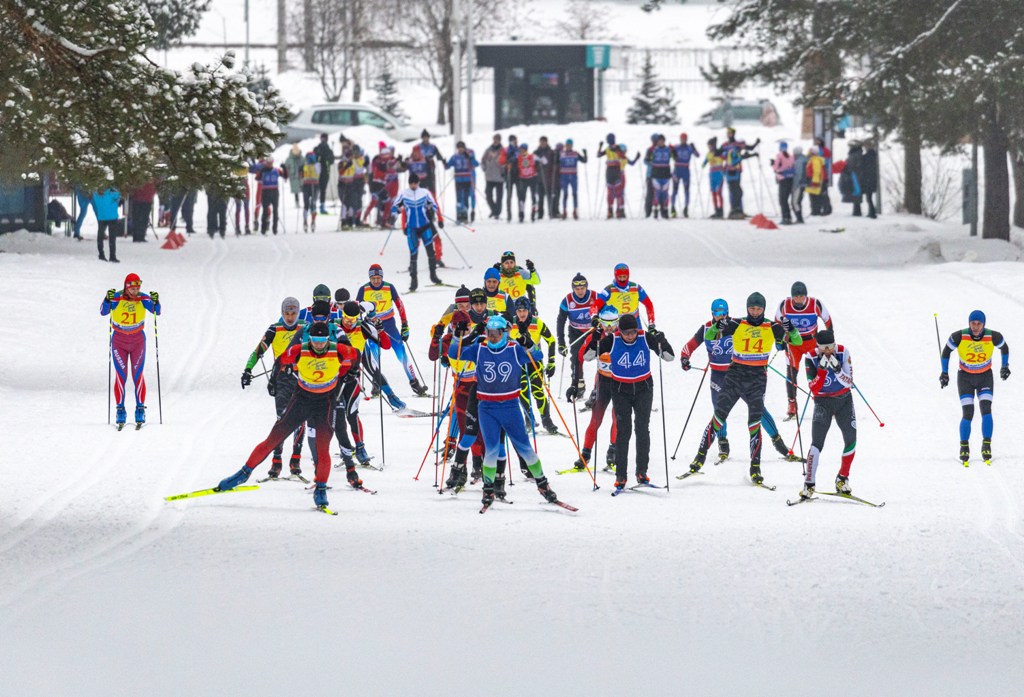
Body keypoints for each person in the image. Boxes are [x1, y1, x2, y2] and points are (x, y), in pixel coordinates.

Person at [216, 321, 360, 511]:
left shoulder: (339, 350)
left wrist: (351, 372)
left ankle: (321, 489)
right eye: (314, 340)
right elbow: (280, 361)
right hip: (301, 400)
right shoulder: (300, 350)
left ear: (328, 339)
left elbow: (357, 355)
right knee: (273, 439)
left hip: (325, 403)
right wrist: (274, 381)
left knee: (323, 448)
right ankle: (243, 474)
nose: (318, 344)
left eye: (321, 340)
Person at [687, 292, 802, 485]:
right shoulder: (737, 323)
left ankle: (755, 468)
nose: (755, 312)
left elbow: (795, 343)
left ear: (763, 309)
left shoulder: (772, 326)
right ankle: (699, 457)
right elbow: (709, 335)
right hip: (734, 377)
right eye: (752, 308)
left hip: (757, 380)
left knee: (754, 423)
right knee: (718, 417)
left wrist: (792, 330)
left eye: (758, 308)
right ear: (747, 308)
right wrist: (718, 326)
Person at [454, 315, 561, 509]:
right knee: (492, 449)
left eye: (496, 333)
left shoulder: (514, 350)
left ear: (505, 333)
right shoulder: (480, 349)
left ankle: (543, 484)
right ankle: (488, 489)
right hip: (487, 408)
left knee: (525, 449)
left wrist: (528, 342)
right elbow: (454, 351)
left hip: (510, 407)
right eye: (489, 333)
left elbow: (537, 356)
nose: (492, 337)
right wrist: (461, 336)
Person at [584, 313, 673, 492]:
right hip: (620, 389)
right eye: (627, 333)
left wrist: (663, 341)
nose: (630, 336)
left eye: (633, 332)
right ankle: (621, 475)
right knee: (623, 431)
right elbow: (588, 357)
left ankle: (641, 472)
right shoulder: (613, 339)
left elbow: (669, 357)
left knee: (642, 429)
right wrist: (594, 341)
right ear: (620, 331)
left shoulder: (644, 337)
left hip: (644, 388)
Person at [241, 297, 307, 479]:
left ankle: (295, 460)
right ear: (282, 313)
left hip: (303, 378)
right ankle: (276, 460)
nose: (290, 317)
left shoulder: (306, 327)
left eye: (293, 313)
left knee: (300, 419)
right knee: (282, 419)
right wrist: (248, 370)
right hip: (282, 378)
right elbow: (258, 352)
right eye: (287, 313)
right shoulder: (274, 328)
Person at [940, 310, 1010, 464]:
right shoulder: (959, 336)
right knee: (968, 412)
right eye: (973, 323)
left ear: (984, 324)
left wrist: (1005, 366)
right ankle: (964, 446)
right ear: (969, 323)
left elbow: (1004, 348)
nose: (976, 327)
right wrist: (944, 373)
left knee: (986, 409)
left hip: (985, 377)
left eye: (979, 324)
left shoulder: (993, 336)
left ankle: (987, 445)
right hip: (965, 378)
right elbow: (946, 352)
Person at [799, 328, 858, 499]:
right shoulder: (810, 356)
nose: (827, 351)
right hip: (823, 402)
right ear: (818, 346)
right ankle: (809, 483)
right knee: (817, 442)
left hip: (844, 400)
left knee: (851, 439)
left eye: (830, 346)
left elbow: (849, 382)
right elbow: (813, 388)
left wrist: (838, 370)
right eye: (823, 348)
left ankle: (842, 478)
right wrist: (823, 371)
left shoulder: (842, 351)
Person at [430, 311, 485, 488]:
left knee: (483, 430)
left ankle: (481, 466)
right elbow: (433, 355)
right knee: (465, 429)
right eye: (457, 326)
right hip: (461, 389)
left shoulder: (479, 337)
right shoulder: (448, 340)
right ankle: (462, 472)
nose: (462, 329)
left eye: (466, 326)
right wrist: (435, 338)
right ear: (452, 326)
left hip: (480, 388)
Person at [356, 263, 429, 395]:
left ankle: (414, 383)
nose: (376, 281)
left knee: (402, 354)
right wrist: (359, 325)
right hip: (372, 327)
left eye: (379, 278)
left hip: (389, 325)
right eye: (373, 279)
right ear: (370, 278)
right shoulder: (364, 289)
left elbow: (399, 305)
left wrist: (405, 324)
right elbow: (356, 309)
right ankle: (376, 383)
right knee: (374, 357)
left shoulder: (389, 287)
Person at [100, 273, 161, 426]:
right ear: (126, 287)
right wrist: (107, 299)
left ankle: (140, 409)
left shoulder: (143, 298)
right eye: (132, 288)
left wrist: (156, 301)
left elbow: (157, 311)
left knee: (137, 374)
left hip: (137, 341)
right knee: (121, 375)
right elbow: (103, 311)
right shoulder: (117, 297)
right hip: (119, 341)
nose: (135, 291)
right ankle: (120, 410)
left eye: (137, 288)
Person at [568, 305, 620, 471]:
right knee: (596, 419)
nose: (610, 327)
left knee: (617, 418)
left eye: (613, 323)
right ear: (601, 322)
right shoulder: (595, 335)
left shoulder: (622, 335)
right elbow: (580, 357)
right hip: (603, 381)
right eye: (606, 323)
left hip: (620, 382)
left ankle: (613, 452)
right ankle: (585, 454)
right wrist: (575, 383)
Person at [776, 281, 833, 419]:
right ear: (792, 297)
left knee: (819, 370)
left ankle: (825, 403)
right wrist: (779, 339)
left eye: (802, 296)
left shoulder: (815, 304)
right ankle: (792, 405)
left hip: (811, 342)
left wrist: (829, 339)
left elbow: (828, 320)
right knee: (791, 372)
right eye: (796, 297)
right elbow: (777, 322)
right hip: (793, 344)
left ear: (806, 296)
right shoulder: (784, 305)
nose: (799, 300)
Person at [510, 297, 559, 434]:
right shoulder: (511, 323)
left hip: (534, 361)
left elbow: (551, 340)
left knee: (538, 390)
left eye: (524, 310)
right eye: (519, 311)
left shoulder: (537, 322)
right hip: (518, 363)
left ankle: (547, 421)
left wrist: (552, 362)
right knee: (523, 390)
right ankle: (528, 419)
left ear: (529, 310)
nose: (522, 313)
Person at [391, 172, 443, 292]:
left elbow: (434, 205)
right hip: (412, 228)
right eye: (411, 183)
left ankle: (433, 276)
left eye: (415, 183)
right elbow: (394, 207)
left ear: (418, 183)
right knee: (413, 254)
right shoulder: (404, 194)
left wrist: (431, 208)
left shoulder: (424, 192)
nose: (413, 185)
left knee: (431, 252)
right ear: (409, 183)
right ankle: (414, 281)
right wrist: (398, 210)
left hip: (425, 226)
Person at [557, 272, 600, 399]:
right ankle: (577, 384)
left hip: (594, 331)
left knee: (603, 356)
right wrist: (561, 342)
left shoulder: (595, 296)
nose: (580, 291)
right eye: (577, 289)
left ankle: (602, 386)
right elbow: (560, 321)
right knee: (576, 358)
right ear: (573, 289)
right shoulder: (567, 300)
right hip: (576, 332)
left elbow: (605, 312)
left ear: (586, 287)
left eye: (582, 288)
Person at [721, 128, 759, 219]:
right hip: (729, 170)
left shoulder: (738, 144)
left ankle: (739, 209)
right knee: (733, 191)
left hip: (737, 170)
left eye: (730, 133)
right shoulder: (725, 145)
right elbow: (718, 152)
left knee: (737, 190)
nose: (728, 135)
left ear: (733, 134)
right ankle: (733, 209)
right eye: (727, 133)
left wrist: (756, 143)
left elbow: (750, 148)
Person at [250, 156, 287, 234]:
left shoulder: (276, 170)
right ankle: (263, 229)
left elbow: (285, 175)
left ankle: (275, 229)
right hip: (265, 191)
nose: (269, 165)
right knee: (265, 210)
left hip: (274, 192)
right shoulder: (263, 170)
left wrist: (284, 168)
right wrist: (261, 171)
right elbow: (257, 178)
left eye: (270, 163)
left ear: (272, 163)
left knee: (275, 211)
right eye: (268, 163)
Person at [442, 141, 478, 223]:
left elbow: (476, 164)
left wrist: (470, 158)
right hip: (458, 180)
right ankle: (459, 215)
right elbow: (447, 166)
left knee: (465, 197)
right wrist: (444, 163)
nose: (460, 150)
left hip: (467, 179)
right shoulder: (455, 157)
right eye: (459, 148)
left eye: (462, 148)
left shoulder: (468, 155)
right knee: (458, 198)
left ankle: (465, 215)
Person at [671, 133, 699, 218]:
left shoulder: (689, 148)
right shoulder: (676, 147)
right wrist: (672, 151)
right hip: (677, 170)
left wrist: (694, 148)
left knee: (686, 190)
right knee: (675, 190)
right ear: (680, 139)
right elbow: (669, 153)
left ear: (686, 139)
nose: (683, 140)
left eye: (685, 139)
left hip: (685, 171)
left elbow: (697, 155)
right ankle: (672, 208)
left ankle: (686, 208)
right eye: (682, 138)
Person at [558, 138, 588, 220]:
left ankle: (575, 210)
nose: (568, 146)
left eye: (570, 145)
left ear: (572, 145)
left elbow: (584, 161)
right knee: (565, 194)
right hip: (564, 176)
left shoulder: (575, 153)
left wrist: (585, 154)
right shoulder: (562, 153)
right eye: (567, 145)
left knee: (574, 194)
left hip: (573, 176)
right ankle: (564, 211)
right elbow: (556, 162)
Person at [645, 134, 672, 219]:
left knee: (663, 194)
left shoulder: (666, 149)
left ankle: (663, 211)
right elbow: (646, 160)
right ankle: (649, 212)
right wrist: (652, 164)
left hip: (663, 174)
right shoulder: (651, 149)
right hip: (652, 174)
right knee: (651, 194)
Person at [93, 188, 121, 263]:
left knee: (100, 235)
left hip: (102, 217)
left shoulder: (96, 193)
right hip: (112, 216)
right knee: (112, 237)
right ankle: (112, 256)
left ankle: (101, 254)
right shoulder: (114, 192)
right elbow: (118, 198)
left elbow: (95, 201)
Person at [771, 142, 796, 224]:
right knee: (786, 199)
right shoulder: (791, 156)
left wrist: (772, 164)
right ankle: (788, 217)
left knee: (782, 200)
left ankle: (785, 217)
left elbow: (776, 167)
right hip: (790, 178)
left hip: (783, 178)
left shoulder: (779, 155)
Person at [481, 135, 505, 220]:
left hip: (499, 177)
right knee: (488, 195)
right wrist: (484, 168)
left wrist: (503, 170)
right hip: (489, 177)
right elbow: (483, 160)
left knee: (499, 196)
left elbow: (506, 161)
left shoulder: (503, 150)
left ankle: (497, 212)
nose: (496, 141)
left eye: (497, 140)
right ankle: (494, 210)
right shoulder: (488, 150)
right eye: (495, 139)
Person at [534, 136, 557, 219]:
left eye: (544, 142)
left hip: (548, 177)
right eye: (541, 142)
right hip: (539, 177)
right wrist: (537, 163)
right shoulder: (536, 152)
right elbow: (533, 164)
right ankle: (540, 213)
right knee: (540, 197)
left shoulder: (550, 152)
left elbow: (553, 162)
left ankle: (551, 212)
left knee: (550, 196)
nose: (542, 143)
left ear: (547, 142)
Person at [499, 134, 520, 222]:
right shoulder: (506, 150)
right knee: (509, 195)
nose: (514, 142)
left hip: (518, 173)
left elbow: (522, 157)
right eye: (512, 140)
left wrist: (515, 158)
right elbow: (501, 160)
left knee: (520, 194)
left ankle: (520, 212)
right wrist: (507, 159)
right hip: (509, 173)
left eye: (514, 140)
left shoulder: (519, 149)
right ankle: (509, 213)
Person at [840, 140, 864, 217]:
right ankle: (856, 209)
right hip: (854, 175)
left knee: (856, 191)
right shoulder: (856, 154)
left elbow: (855, 165)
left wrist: (849, 169)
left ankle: (857, 210)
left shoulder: (855, 155)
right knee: (855, 191)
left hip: (854, 175)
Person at [704, 137, 725, 219]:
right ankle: (716, 210)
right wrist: (703, 164)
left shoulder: (719, 152)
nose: (709, 147)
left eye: (710, 145)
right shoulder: (708, 154)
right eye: (708, 146)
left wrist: (720, 153)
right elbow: (706, 161)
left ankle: (721, 210)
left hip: (719, 174)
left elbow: (725, 158)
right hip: (712, 175)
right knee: (713, 193)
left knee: (719, 192)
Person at [314, 133, 334, 213]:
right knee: (316, 189)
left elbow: (332, 161)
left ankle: (322, 206)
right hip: (317, 172)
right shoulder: (317, 148)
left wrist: (328, 159)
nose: (323, 140)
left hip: (325, 172)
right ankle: (313, 206)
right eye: (322, 138)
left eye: (325, 139)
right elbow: (313, 159)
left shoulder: (329, 150)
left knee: (323, 190)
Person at [418, 129, 443, 194]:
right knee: (422, 188)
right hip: (421, 170)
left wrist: (443, 161)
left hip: (431, 169)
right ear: (422, 138)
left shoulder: (433, 147)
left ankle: (433, 200)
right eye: (424, 138)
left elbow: (439, 156)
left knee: (431, 187)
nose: (425, 139)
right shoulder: (418, 147)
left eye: (427, 137)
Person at [813, 136, 833, 215]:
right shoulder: (816, 150)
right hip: (817, 175)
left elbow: (825, 163)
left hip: (823, 175)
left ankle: (826, 208)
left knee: (823, 193)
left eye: (818, 141)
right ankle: (821, 208)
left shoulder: (825, 151)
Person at [301, 151, 320, 232]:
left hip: (315, 186)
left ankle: (313, 221)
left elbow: (318, 171)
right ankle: (305, 221)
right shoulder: (304, 165)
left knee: (313, 203)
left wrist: (313, 162)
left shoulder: (317, 165)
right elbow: (301, 176)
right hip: (306, 186)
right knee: (306, 204)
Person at [805, 146, 827, 216]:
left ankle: (815, 211)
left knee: (814, 197)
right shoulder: (812, 159)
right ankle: (815, 210)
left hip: (813, 181)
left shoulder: (815, 160)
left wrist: (815, 181)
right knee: (814, 196)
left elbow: (817, 171)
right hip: (812, 180)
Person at [860, 140, 879, 219]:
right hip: (871, 179)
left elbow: (865, 164)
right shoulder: (873, 155)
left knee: (869, 198)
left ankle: (872, 212)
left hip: (869, 180)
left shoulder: (868, 156)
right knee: (869, 197)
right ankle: (871, 211)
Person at [231, 165, 251, 235]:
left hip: (245, 189)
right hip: (238, 189)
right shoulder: (235, 166)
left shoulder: (246, 165)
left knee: (245, 208)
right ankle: (238, 227)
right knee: (239, 208)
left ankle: (246, 226)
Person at [791, 145, 808, 224]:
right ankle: (799, 218)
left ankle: (799, 218)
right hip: (804, 183)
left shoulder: (798, 161)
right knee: (798, 201)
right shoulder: (805, 159)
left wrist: (794, 185)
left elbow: (798, 174)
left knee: (795, 202)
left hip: (799, 184)